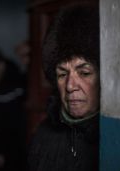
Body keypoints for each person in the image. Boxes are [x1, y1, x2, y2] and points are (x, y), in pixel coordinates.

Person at [28, 6, 100, 171]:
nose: (70, 86)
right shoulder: (42, 135)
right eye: (62, 74)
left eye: (84, 73)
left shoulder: (116, 138)